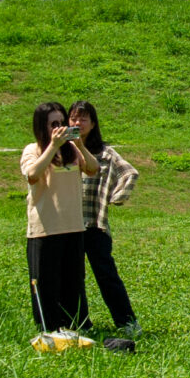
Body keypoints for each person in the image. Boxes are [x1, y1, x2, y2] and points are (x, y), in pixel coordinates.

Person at [20, 100, 99, 344]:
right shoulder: (33, 150)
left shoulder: (72, 151)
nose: (60, 128)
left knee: (73, 280)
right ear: (43, 127)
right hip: (45, 228)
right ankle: (49, 328)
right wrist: (52, 146)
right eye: (54, 124)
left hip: (73, 226)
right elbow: (32, 175)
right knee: (46, 282)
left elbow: (93, 168)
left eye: (62, 123)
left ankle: (76, 324)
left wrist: (78, 145)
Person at [67, 99, 139, 338]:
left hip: (94, 223)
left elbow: (129, 172)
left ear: (93, 123)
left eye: (83, 118)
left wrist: (117, 197)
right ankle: (81, 323)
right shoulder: (63, 150)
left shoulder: (105, 153)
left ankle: (127, 322)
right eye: (74, 118)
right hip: (67, 223)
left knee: (106, 275)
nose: (78, 123)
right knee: (73, 278)